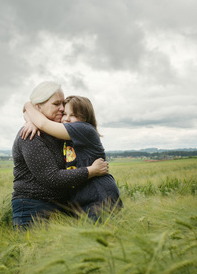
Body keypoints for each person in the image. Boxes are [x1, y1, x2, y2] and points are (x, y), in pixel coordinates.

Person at [12, 82, 109, 229]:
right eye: (56, 104)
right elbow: (52, 178)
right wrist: (91, 170)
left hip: (66, 206)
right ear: (38, 107)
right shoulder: (30, 134)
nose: (62, 108)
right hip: (34, 206)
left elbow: (44, 123)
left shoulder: (62, 132)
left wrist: (30, 115)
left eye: (63, 104)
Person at [23, 94, 123, 222]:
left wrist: (27, 105)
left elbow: (43, 123)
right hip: (81, 200)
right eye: (64, 114)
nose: (67, 119)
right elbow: (40, 123)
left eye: (74, 115)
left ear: (85, 117)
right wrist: (30, 121)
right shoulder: (64, 136)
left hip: (99, 195)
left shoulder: (84, 129)